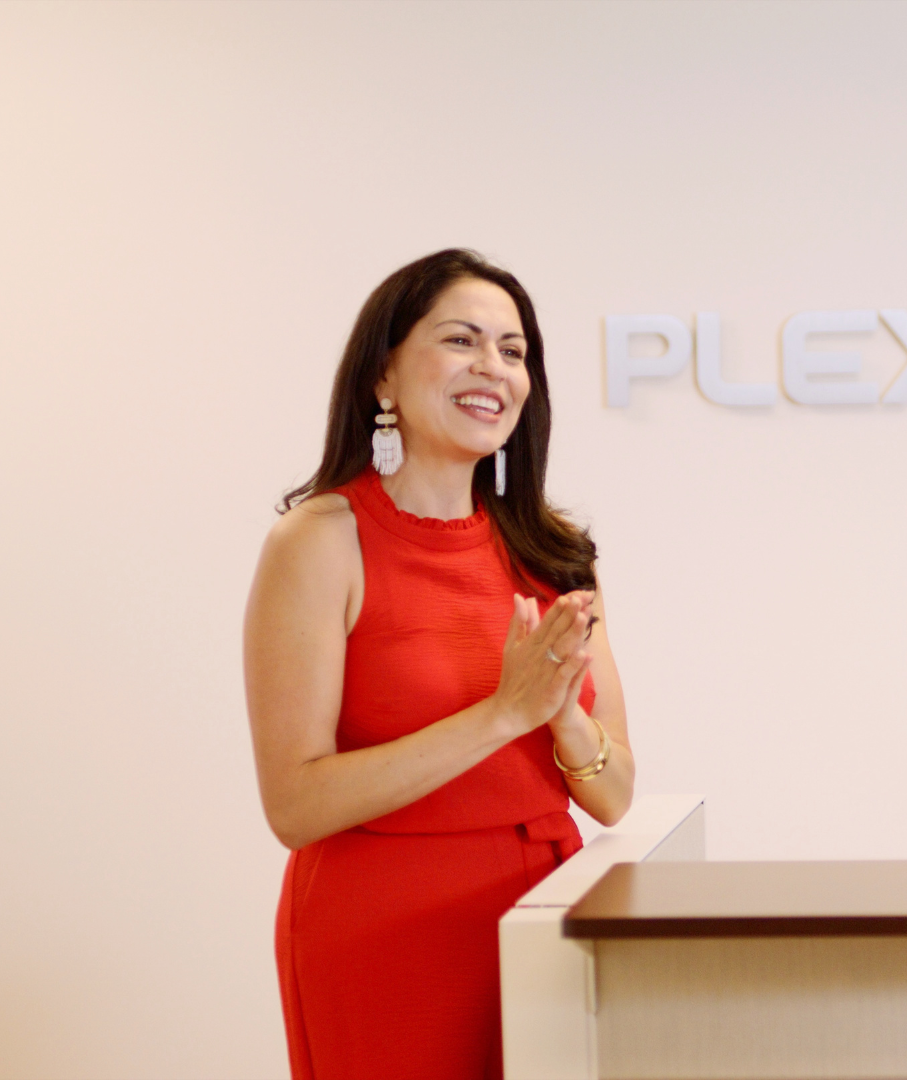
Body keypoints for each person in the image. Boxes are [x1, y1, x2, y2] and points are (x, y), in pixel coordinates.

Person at [243, 249, 635, 1080]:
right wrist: (502, 713)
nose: (493, 367)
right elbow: (294, 803)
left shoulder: (555, 553)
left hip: (546, 915)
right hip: (384, 932)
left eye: (514, 350)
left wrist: (559, 711)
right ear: (383, 375)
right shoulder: (321, 542)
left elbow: (615, 793)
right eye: (462, 340)